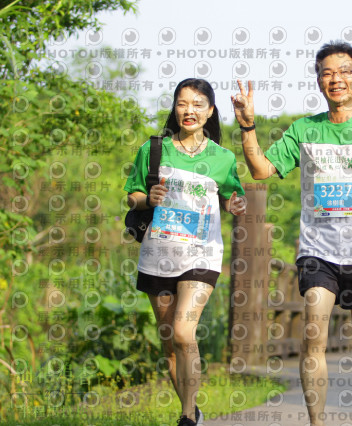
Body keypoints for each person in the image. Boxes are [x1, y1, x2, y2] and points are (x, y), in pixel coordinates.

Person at [231, 41, 352, 426]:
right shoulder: (305, 128)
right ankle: (317, 423)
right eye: (327, 72)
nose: (335, 79)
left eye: (344, 71)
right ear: (319, 80)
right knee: (313, 331)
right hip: (320, 251)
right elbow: (260, 170)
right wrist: (247, 126)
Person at [124, 78, 246, 426]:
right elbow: (132, 194)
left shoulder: (222, 157)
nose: (188, 110)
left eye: (197, 104)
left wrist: (236, 202)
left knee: (182, 333)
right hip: (158, 254)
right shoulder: (154, 149)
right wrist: (149, 198)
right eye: (182, 103)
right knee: (169, 343)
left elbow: (233, 195)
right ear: (175, 108)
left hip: (201, 255)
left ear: (209, 112)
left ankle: (187, 416)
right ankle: (192, 409)